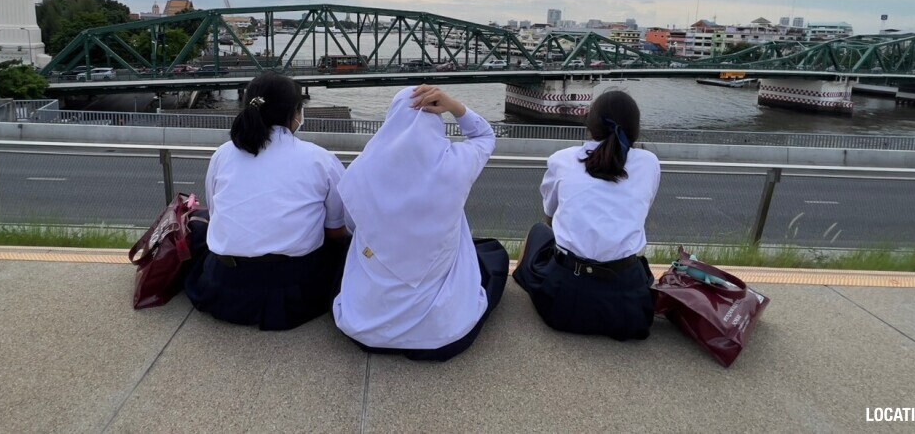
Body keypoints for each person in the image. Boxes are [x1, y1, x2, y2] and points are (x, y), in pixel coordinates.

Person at [333, 85, 509, 361]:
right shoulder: (456, 164)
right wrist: (455, 107)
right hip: (440, 334)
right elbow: (485, 135)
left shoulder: (361, 168)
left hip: (366, 329)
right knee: (491, 257)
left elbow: (353, 226)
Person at [185, 71, 348, 331]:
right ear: (296, 112)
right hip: (292, 292)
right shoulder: (320, 159)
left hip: (222, 287)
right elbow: (336, 231)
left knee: (200, 230)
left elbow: (216, 214)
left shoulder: (223, 154)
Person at [512, 89, 660, 340]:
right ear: (634, 128)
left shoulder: (563, 159)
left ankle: (519, 277)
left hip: (563, 303)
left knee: (540, 231)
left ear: (590, 124)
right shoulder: (649, 162)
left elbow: (549, 215)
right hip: (628, 309)